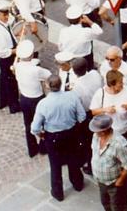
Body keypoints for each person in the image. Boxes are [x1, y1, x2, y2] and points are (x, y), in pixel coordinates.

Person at [31, 74, 87, 202]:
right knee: (73, 160)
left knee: (55, 165)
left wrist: (41, 135)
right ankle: (78, 184)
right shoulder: (72, 97)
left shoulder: (43, 104)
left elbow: (35, 128)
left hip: (53, 137)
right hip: (71, 133)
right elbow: (82, 116)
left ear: (47, 86)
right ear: (61, 84)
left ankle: (58, 193)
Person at [14, 39, 51, 157]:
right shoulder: (36, 70)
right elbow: (48, 75)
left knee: (28, 124)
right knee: (43, 123)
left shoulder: (17, 66)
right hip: (37, 99)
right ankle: (43, 147)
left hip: (24, 98)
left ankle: (32, 149)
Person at [90, 115, 127, 211]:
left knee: (118, 208)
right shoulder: (96, 136)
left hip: (115, 184)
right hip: (101, 181)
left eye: (96, 130)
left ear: (103, 131)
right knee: (105, 204)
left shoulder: (119, 144)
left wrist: (120, 181)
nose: (94, 132)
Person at [0, 3, 21, 113]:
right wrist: (15, 51)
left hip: (10, 52)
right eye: (4, 15)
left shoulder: (4, 24)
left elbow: (10, 34)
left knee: (4, 78)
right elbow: (1, 52)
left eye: (7, 14)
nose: (7, 17)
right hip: (7, 57)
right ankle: (13, 105)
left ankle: (2, 101)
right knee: (11, 81)